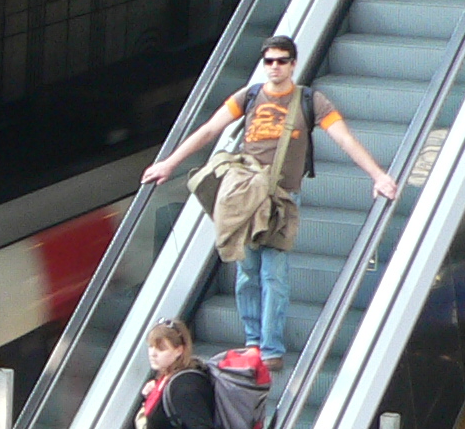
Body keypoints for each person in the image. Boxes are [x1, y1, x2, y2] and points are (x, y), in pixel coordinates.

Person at [139, 36, 400, 370]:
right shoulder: (248, 97)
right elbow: (208, 130)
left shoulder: (310, 101)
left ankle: (271, 349)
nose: (275, 67)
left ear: (293, 64)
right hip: (247, 196)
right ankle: (253, 343)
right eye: (269, 61)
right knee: (247, 272)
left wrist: (378, 176)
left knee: (273, 273)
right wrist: (170, 163)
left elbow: (344, 138)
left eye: (281, 60)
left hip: (281, 198)